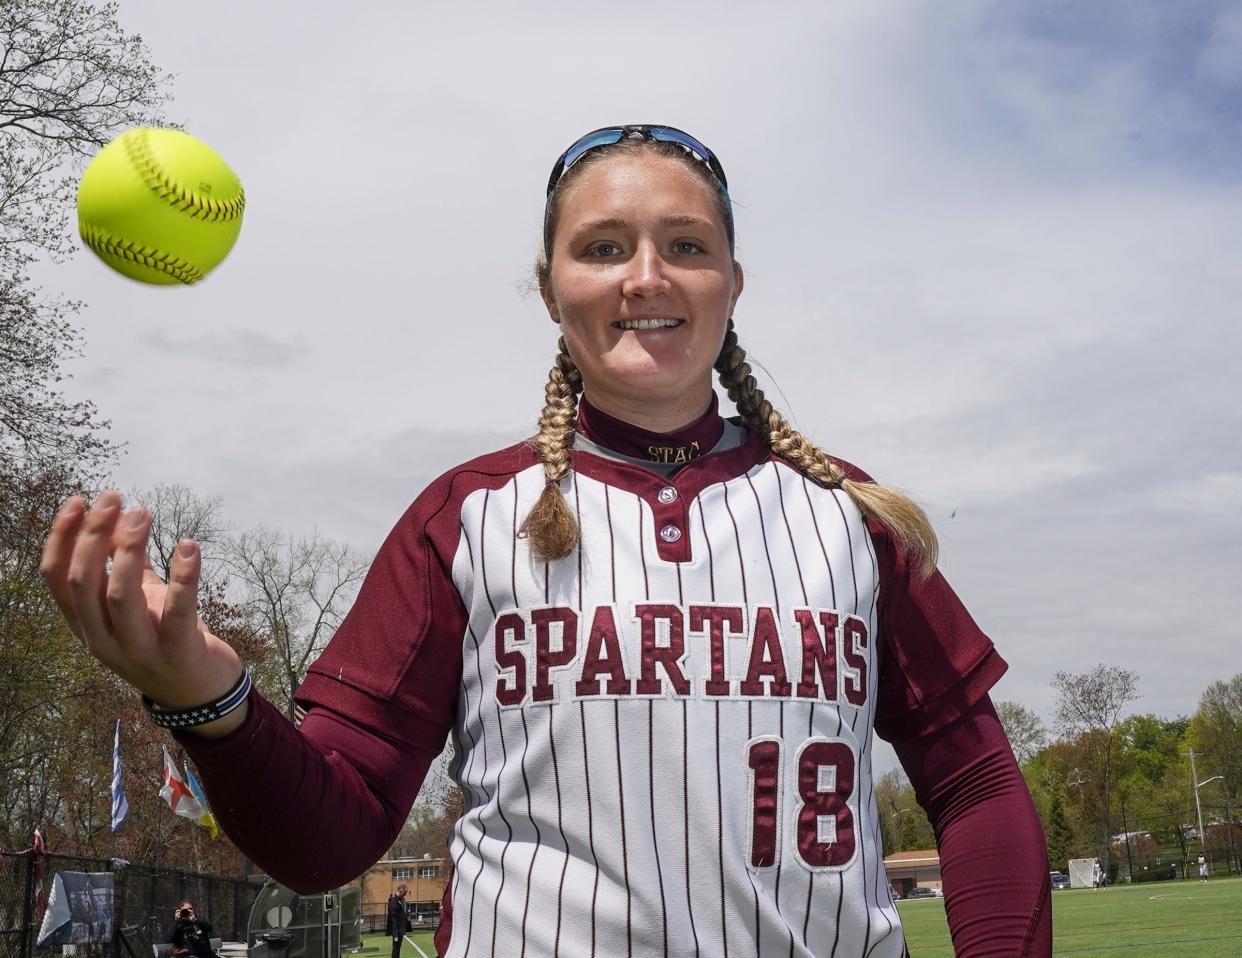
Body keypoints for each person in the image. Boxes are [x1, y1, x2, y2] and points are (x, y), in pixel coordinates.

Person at [41, 124, 1051, 957]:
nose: (645, 276)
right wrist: (210, 702)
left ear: (733, 284)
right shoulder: (464, 517)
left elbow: (976, 786)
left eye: (686, 247)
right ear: (549, 283)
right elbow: (329, 838)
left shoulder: (849, 517)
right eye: (604, 246)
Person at [385, 884, 409, 958]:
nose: (405, 895)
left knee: (398, 946)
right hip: (396, 928)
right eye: (404, 893)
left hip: (400, 927)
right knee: (396, 947)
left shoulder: (401, 900)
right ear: (400, 891)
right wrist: (395, 929)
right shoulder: (393, 901)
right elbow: (393, 916)